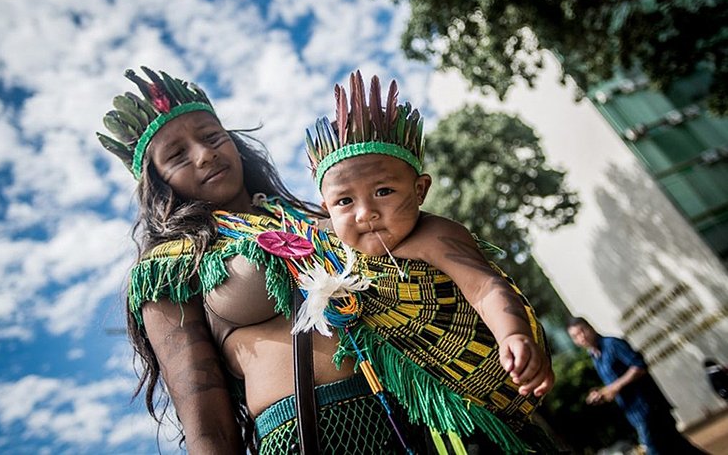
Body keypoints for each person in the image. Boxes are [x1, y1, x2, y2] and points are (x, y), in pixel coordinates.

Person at [97, 66, 555, 455]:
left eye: (212, 136)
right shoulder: (168, 267)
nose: (204, 154)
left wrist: (512, 330)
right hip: (307, 435)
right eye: (177, 156)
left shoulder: (326, 215)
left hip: (414, 410)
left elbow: (442, 251)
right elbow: (203, 409)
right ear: (156, 181)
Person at [301, 71, 561, 454]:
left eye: (384, 191)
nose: (365, 213)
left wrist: (513, 335)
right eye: (345, 202)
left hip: (492, 389)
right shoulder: (336, 251)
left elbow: (485, 287)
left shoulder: (435, 234)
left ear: (420, 190)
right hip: (432, 412)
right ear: (327, 209)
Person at [567, 317, 708, 455]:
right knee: (679, 447)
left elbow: (639, 366)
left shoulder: (612, 344)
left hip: (648, 408)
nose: (581, 337)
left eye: (582, 331)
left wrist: (614, 387)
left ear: (590, 327)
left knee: (655, 450)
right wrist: (602, 394)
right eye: (575, 336)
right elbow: (614, 385)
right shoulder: (595, 356)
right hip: (634, 413)